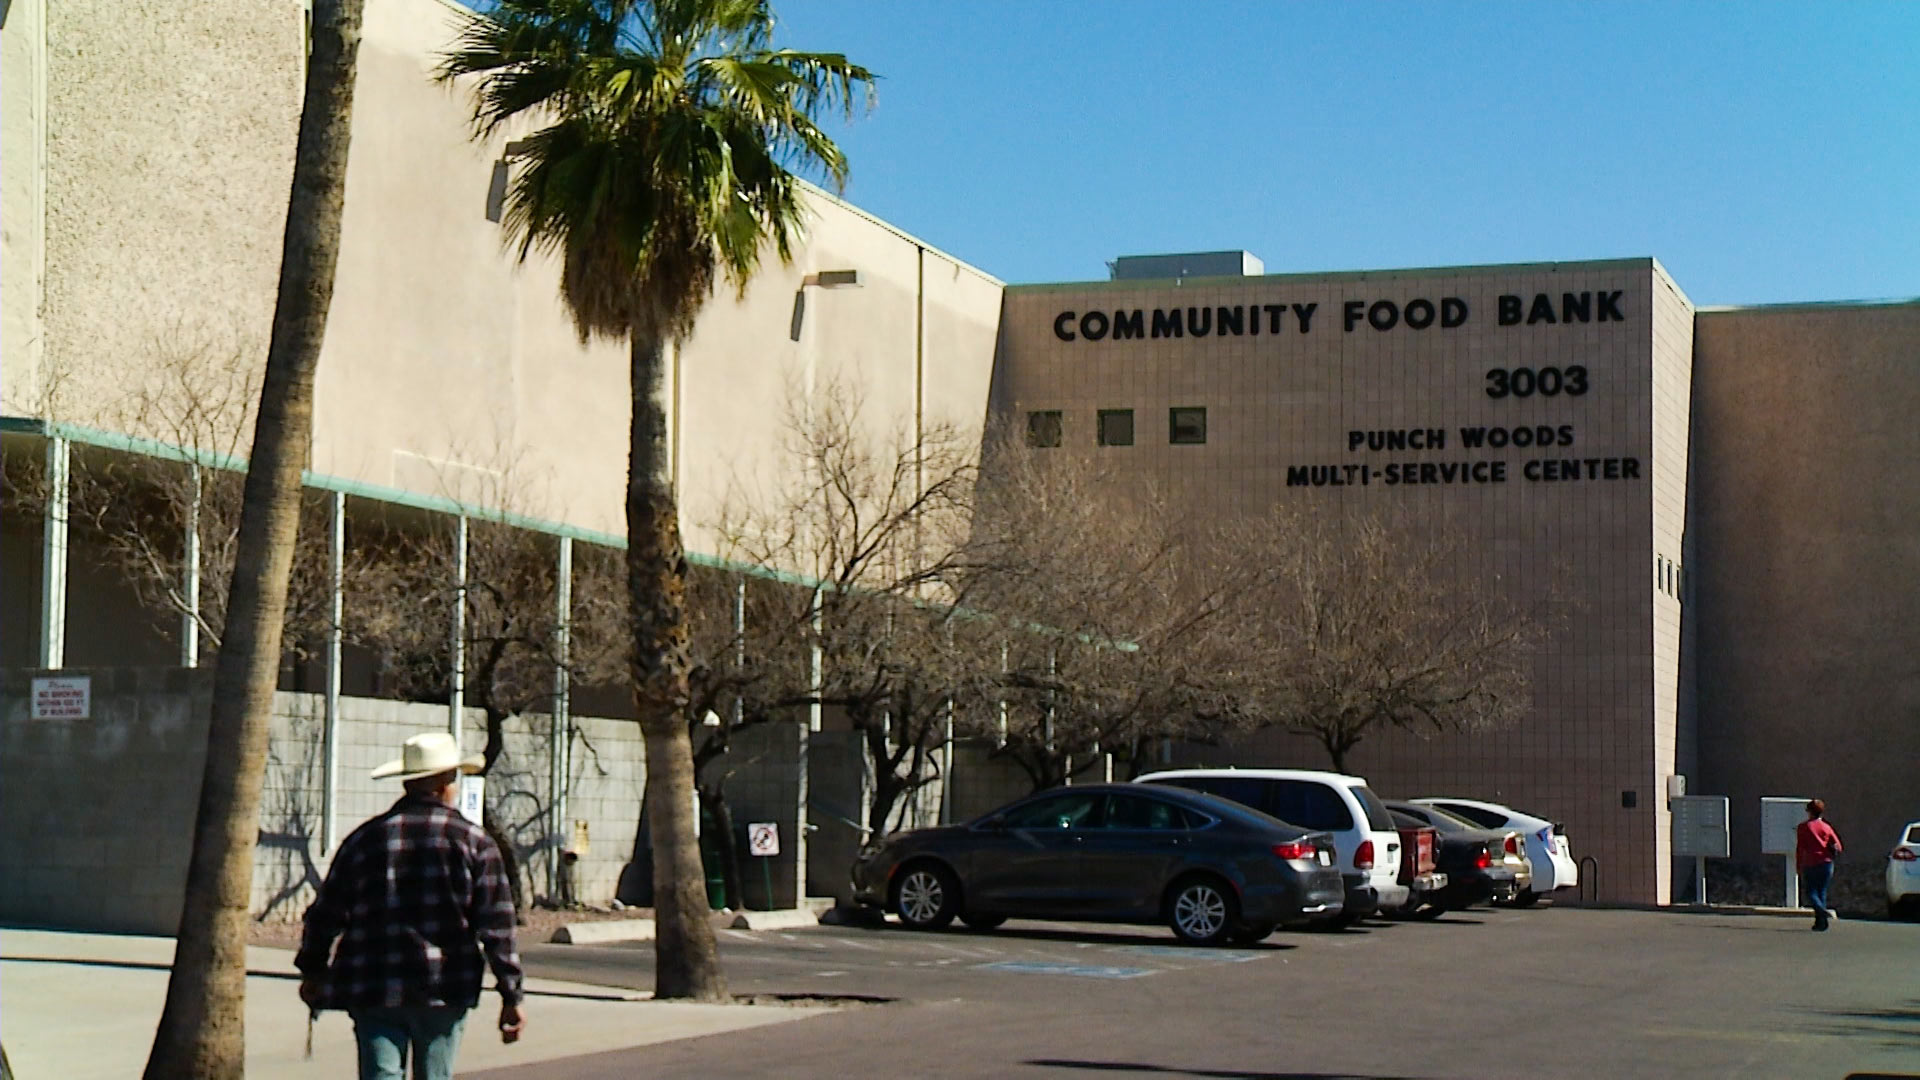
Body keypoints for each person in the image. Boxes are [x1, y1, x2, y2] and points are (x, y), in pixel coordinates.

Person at [297, 732, 527, 1079]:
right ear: (446, 783)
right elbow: (497, 927)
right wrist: (511, 994)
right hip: (445, 986)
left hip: (374, 983)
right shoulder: (475, 843)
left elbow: (326, 912)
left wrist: (313, 969)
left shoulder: (364, 839)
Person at [1795, 798, 1843, 932]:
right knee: (1821, 891)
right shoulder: (1826, 827)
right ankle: (1820, 922)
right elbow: (1838, 846)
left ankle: (1821, 912)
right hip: (1826, 863)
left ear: (1809, 812)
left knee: (1810, 892)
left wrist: (1798, 865)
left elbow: (1800, 848)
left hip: (1811, 863)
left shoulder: (1803, 827)